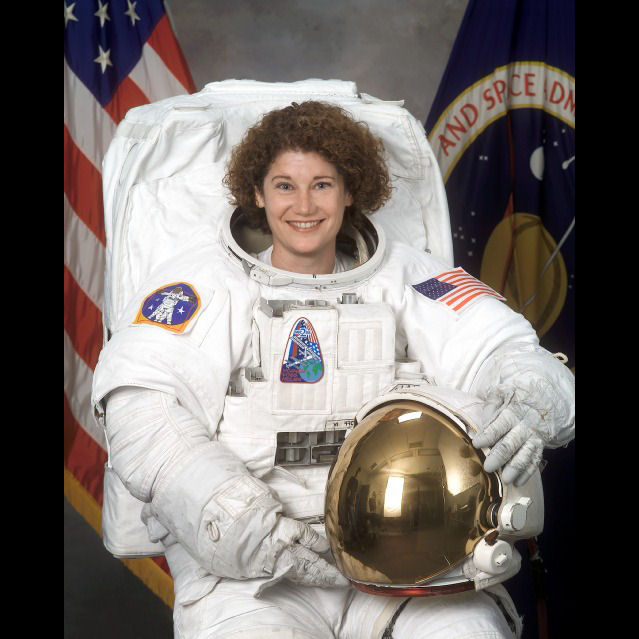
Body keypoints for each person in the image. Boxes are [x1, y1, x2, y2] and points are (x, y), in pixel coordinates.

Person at [92, 100, 575, 639]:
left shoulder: (412, 276)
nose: (304, 205)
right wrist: (248, 528)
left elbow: (504, 348)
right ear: (257, 193)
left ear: (350, 190)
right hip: (250, 577)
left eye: (322, 184)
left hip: (409, 561)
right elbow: (141, 411)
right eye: (285, 185)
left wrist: (531, 397)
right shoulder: (201, 284)